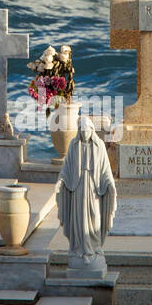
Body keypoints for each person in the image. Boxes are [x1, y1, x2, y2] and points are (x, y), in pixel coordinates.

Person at [55, 115, 116, 270]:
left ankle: (94, 248)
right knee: (79, 220)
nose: (84, 134)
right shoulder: (73, 146)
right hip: (78, 189)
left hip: (94, 190)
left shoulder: (99, 146)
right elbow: (66, 168)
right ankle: (80, 250)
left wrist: (110, 184)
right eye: (81, 131)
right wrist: (60, 181)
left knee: (94, 219)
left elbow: (105, 169)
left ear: (92, 130)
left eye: (87, 131)